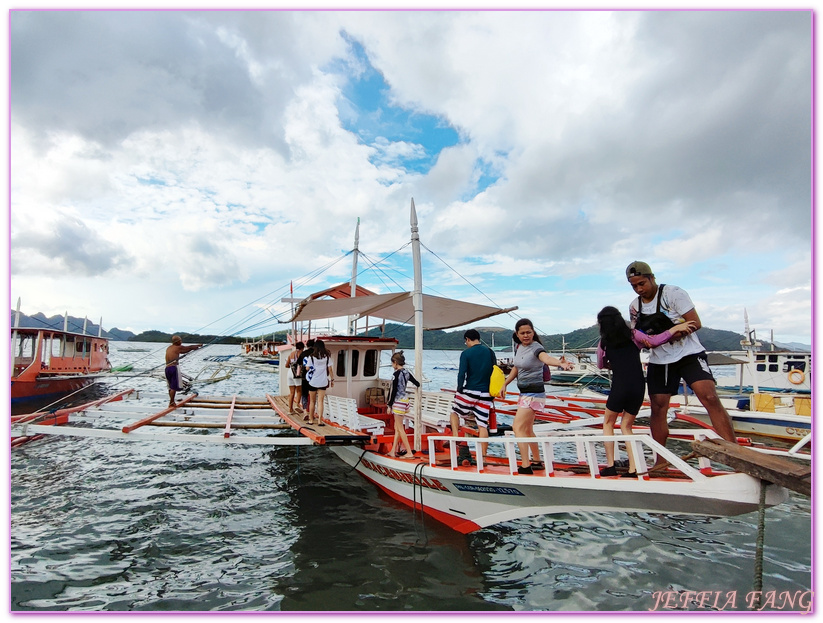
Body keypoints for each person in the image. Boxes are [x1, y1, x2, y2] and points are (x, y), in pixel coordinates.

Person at [625, 261, 737, 462]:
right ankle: (661, 462)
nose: (639, 289)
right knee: (658, 407)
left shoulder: (673, 294)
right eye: (634, 286)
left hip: (688, 354)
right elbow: (639, 336)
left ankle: (736, 454)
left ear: (652, 278)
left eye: (642, 283)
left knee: (709, 397)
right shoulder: (635, 307)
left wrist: (671, 334)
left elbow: (695, 322)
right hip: (660, 359)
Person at [595, 306, 696, 477]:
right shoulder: (633, 335)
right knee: (626, 426)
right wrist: (675, 328)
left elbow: (600, 363)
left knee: (608, 423)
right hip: (638, 386)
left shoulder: (604, 342)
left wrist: (611, 364)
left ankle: (611, 465)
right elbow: (654, 341)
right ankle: (633, 468)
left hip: (620, 386)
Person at [500, 319, 574, 474]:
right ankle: (537, 461)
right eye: (522, 333)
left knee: (517, 427)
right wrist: (505, 384)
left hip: (534, 394)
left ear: (533, 332)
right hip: (525, 393)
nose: (526, 335)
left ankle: (526, 466)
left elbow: (545, 358)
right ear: (517, 334)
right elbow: (516, 367)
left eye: (529, 332)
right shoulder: (519, 347)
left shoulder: (536, 348)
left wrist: (560, 364)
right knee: (527, 429)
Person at [449, 329, 497, 465]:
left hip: (470, 391)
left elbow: (462, 373)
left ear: (468, 339)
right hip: (486, 393)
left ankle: (455, 436)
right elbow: (495, 371)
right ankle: (483, 457)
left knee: (454, 412)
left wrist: (459, 389)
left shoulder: (466, 353)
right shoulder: (490, 352)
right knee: (482, 425)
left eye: (466, 341)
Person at [386, 351, 421, 459]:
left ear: (395, 362)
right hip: (405, 401)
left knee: (400, 429)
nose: (392, 366)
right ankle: (393, 451)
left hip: (398, 402)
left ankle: (409, 452)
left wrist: (389, 405)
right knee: (397, 427)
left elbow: (393, 391)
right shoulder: (407, 373)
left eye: (392, 363)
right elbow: (417, 383)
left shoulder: (396, 374)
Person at [165, 335, 203, 407]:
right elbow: (188, 348)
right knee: (174, 386)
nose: (181, 342)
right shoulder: (178, 347)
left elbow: (186, 349)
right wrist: (198, 346)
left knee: (170, 387)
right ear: (177, 341)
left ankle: (171, 402)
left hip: (167, 368)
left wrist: (195, 346)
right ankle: (171, 402)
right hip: (173, 368)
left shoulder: (169, 348)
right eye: (180, 340)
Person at [305, 339, 333, 426]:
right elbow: (330, 370)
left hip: (313, 381)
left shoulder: (311, 357)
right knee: (320, 401)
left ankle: (311, 420)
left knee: (312, 401)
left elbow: (307, 368)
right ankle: (320, 421)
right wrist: (332, 380)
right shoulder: (327, 357)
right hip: (323, 382)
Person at [285, 341, 305, 415]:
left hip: (290, 372)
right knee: (299, 391)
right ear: (302, 348)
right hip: (296, 373)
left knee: (291, 392)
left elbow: (286, 365)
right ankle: (297, 405)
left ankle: (290, 410)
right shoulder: (301, 353)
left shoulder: (291, 354)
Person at [299, 339, 315, 413]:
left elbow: (298, 364)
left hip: (305, 376)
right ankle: (313, 411)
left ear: (307, 345)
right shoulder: (316, 353)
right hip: (315, 376)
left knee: (304, 393)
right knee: (313, 394)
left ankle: (305, 410)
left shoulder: (303, 353)